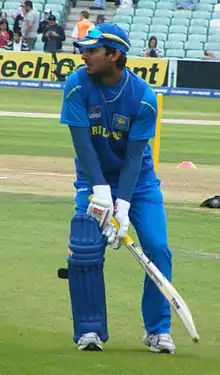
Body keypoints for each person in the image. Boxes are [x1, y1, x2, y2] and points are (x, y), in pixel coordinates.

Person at [60, 23, 175, 354]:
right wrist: (100, 192)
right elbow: (83, 146)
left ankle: (157, 330)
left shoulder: (144, 98)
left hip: (138, 185)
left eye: (93, 50)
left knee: (157, 247)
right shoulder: (76, 86)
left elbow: (136, 158)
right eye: (84, 49)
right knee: (86, 250)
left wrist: (122, 205)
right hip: (92, 180)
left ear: (114, 55)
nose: (84, 55)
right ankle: (89, 330)